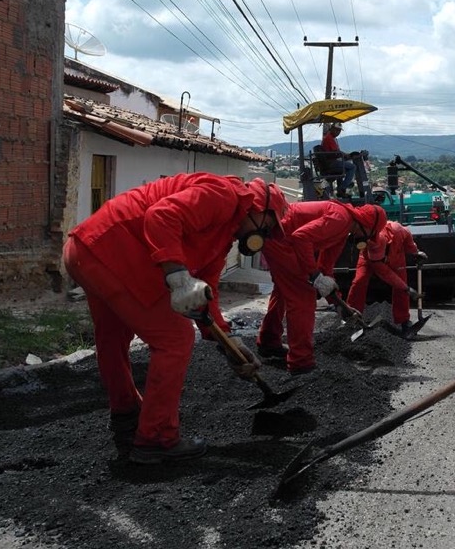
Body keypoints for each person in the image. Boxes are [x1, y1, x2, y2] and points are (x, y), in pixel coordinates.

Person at [63, 174, 288, 464]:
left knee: (114, 336)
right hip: (110, 251)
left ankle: (127, 414)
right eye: (267, 227)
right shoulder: (225, 195)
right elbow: (161, 216)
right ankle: (156, 438)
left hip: (88, 250)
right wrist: (178, 277)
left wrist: (228, 340)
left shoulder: (223, 235)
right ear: (259, 207)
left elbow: (208, 290)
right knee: (176, 338)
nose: (264, 237)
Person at [256, 201, 387, 375]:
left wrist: (339, 303)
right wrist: (313, 274)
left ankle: (269, 341)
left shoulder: (342, 231)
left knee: (284, 289)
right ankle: (301, 362)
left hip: (283, 239)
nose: (368, 239)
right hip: (279, 235)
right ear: (367, 225)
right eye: (371, 234)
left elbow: (326, 268)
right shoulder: (341, 218)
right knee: (302, 294)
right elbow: (300, 237)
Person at [346, 220, 427, 333]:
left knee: (401, 288)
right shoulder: (370, 248)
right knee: (359, 281)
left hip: (396, 256)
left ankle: (404, 321)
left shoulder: (398, 230)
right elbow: (386, 274)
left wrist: (415, 252)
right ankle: (350, 317)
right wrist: (407, 288)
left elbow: (408, 236)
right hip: (368, 260)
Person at [320, 122, 356, 197]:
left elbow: (337, 153)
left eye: (339, 130)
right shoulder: (329, 138)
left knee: (343, 167)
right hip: (331, 163)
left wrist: (346, 156)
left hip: (330, 162)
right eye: (336, 130)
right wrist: (347, 155)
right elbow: (336, 152)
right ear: (332, 129)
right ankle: (342, 189)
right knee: (352, 167)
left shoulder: (330, 138)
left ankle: (341, 190)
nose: (338, 132)